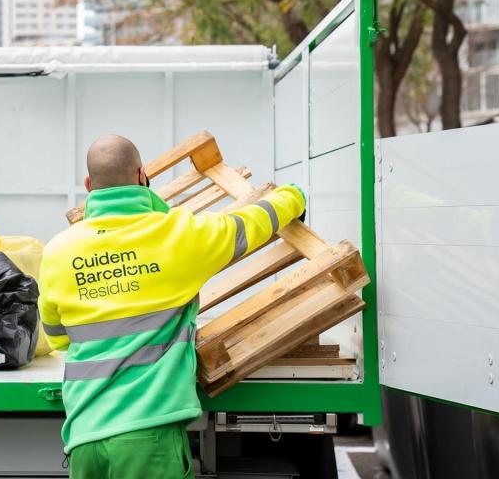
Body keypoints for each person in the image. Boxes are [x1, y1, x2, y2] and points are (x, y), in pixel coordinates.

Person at [38, 134, 307, 478]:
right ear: (142, 175)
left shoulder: (59, 251)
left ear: (89, 185)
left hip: (84, 438)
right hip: (149, 436)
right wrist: (292, 197)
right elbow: (248, 227)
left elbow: (59, 338)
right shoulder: (179, 236)